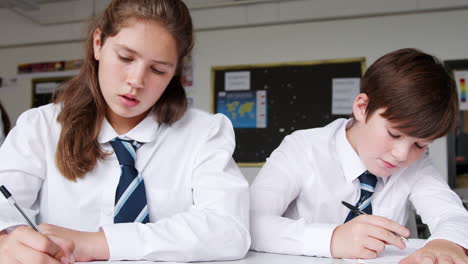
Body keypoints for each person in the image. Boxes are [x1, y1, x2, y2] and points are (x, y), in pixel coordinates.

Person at [0, 0, 250, 263]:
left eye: (158, 69)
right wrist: (4, 243)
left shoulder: (204, 133)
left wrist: (99, 243)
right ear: (98, 43)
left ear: (176, 71)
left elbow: (229, 231)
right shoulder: (40, 128)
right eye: (125, 58)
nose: (136, 81)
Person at [250, 48, 468, 264]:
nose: (402, 155)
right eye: (394, 134)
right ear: (362, 107)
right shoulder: (301, 148)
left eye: (420, 144)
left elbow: (453, 215)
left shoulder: (416, 165)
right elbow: (249, 222)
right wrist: (332, 238)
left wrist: (449, 242)